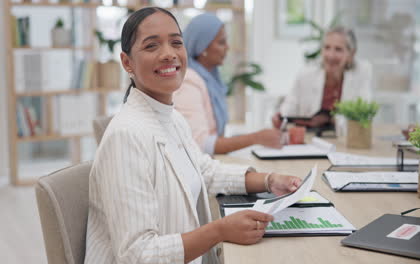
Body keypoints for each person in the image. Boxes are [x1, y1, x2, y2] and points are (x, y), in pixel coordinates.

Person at [84, 7, 301, 264]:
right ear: (127, 62)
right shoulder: (125, 137)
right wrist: (220, 230)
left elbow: (204, 171)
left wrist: (269, 180)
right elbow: (138, 254)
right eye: (152, 46)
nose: (169, 54)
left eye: (176, 43)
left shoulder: (171, 118)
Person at [173, 13, 282, 155]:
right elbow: (201, 144)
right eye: (221, 42)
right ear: (202, 47)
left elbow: (215, 136)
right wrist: (257, 138)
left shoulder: (209, 78)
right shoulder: (189, 82)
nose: (227, 47)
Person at [272, 26, 372, 129]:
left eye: (338, 49)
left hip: (344, 139)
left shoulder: (361, 73)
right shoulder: (306, 75)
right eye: (327, 47)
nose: (331, 55)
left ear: (351, 53)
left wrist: (331, 120)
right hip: (310, 139)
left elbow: (364, 116)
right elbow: (289, 107)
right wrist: (280, 117)